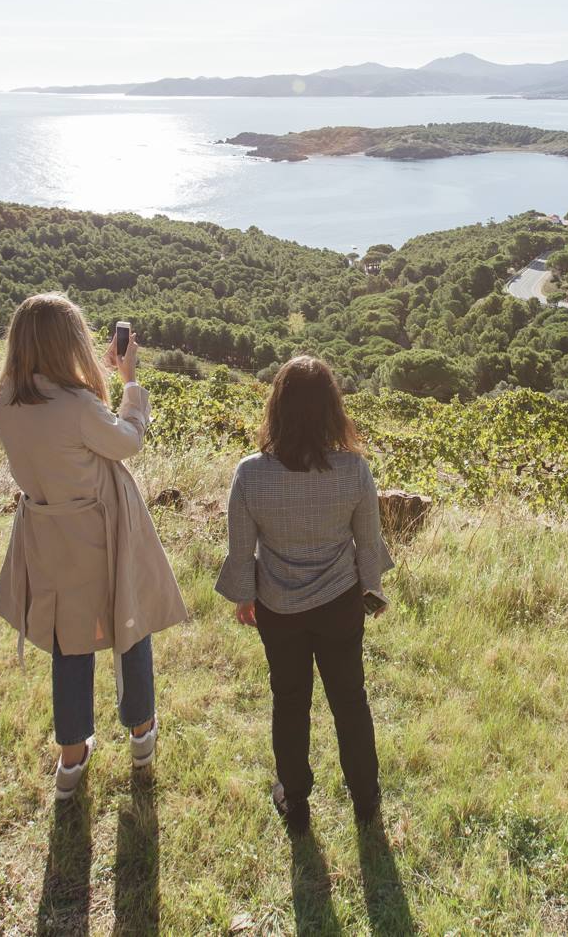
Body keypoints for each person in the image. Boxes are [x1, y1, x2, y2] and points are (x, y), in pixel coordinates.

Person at [0, 294, 188, 802]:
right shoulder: (76, 405)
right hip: (99, 533)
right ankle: (141, 732)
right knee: (129, 620)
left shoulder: (1, 397)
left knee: (67, 639)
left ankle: (71, 759)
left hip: (45, 533)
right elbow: (126, 441)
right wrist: (128, 382)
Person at [216, 355, 393, 835]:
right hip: (340, 603)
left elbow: (240, 551)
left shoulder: (250, 474)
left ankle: (295, 799)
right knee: (350, 700)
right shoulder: (354, 471)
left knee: (289, 701)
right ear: (332, 411)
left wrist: (245, 597)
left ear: (277, 407)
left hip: (279, 607)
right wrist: (371, 596)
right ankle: (365, 799)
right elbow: (370, 546)